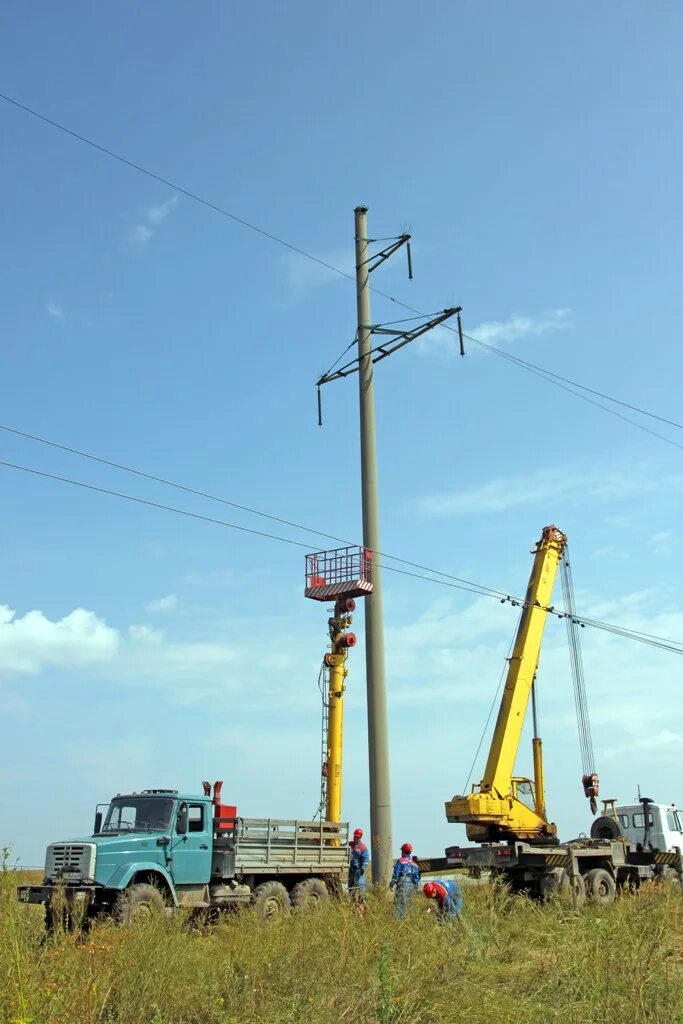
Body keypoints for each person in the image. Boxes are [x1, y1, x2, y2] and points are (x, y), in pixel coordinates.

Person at [389, 842, 420, 918]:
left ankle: (399, 922)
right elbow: (416, 877)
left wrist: (392, 884)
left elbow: (396, 874)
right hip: (411, 886)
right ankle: (411, 920)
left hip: (402, 884)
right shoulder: (414, 864)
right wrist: (415, 886)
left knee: (399, 904)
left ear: (403, 851)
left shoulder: (400, 861)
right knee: (409, 904)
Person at [348, 827, 370, 902]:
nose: (355, 837)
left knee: (360, 887)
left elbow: (366, 861)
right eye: (354, 836)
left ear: (360, 837)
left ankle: (361, 903)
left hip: (358, 871)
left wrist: (363, 868)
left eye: (356, 836)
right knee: (351, 888)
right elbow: (342, 846)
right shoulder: (350, 844)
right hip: (351, 870)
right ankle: (352, 903)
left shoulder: (363, 847)